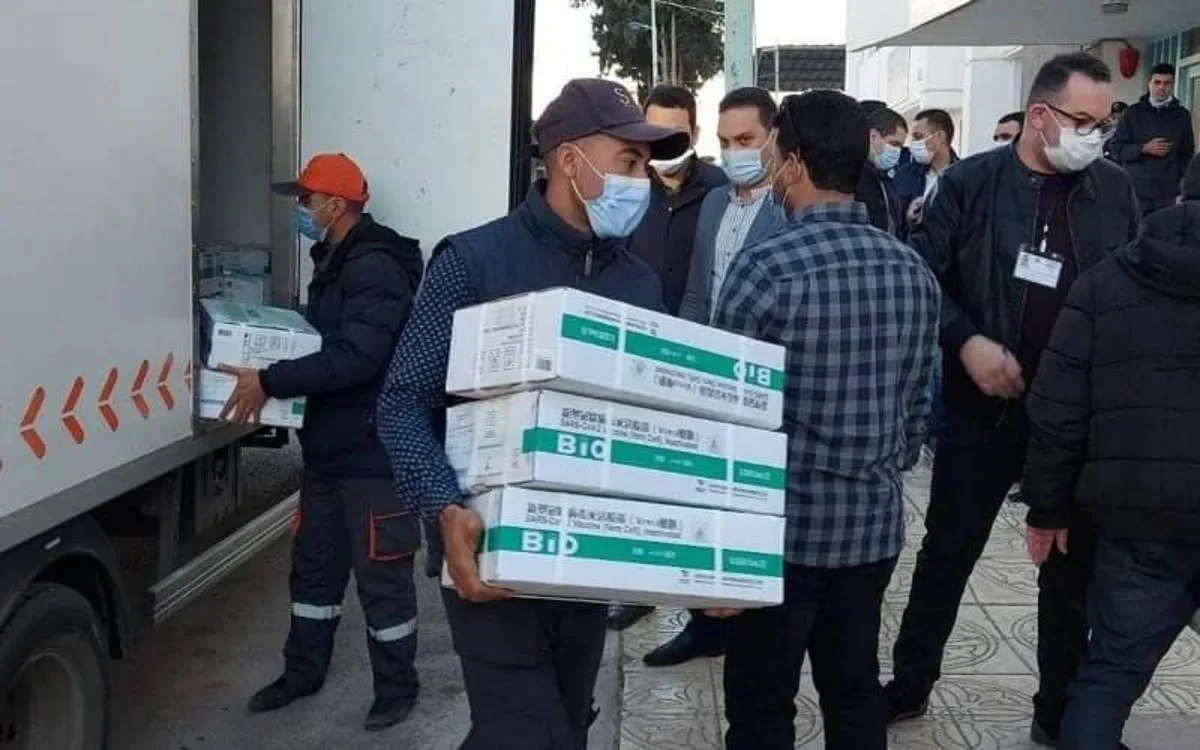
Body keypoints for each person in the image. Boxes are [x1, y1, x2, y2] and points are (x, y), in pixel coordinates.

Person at [374, 78, 686, 750]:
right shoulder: (473, 262)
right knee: (525, 732)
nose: (644, 181)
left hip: (587, 560)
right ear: (570, 160)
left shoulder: (638, 284)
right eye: (629, 161)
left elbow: (661, 422)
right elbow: (402, 401)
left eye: (645, 165)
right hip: (490, 554)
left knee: (565, 726)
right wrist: (443, 508)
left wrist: (699, 555)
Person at [883, 53, 1140, 749]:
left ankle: (1057, 710)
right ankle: (909, 684)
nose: (1095, 136)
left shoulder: (1114, 190)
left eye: (1104, 124)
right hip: (983, 409)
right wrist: (966, 341)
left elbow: (1130, 286)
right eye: (1083, 121)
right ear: (1039, 116)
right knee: (948, 553)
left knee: (1069, 572)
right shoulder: (971, 183)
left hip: (1074, 420)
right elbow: (922, 278)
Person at [711, 89, 940, 750]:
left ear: (794, 163)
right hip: (871, 530)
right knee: (854, 690)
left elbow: (726, 417)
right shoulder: (913, 270)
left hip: (778, 537)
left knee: (761, 705)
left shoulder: (764, 268)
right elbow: (918, 412)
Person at [220, 152, 425, 730]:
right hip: (329, 453)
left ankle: (396, 689)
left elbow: (358, 357)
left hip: (372, 456)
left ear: (336, 206)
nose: (302, 210)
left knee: (383, 583)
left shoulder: (374, 266)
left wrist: (271, 380)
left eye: (307, 200)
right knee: (313, 574)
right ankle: (302, 673)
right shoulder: (334, 258)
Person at [1022, 159, 1200, 750]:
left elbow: (1057, 409)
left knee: (1108, 677)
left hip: (1136, 520)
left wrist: (1047, 507)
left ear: (1179, 194)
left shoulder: (1107, 281)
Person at [649, 86, 784, 668]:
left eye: (746, 140)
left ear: (774, 138)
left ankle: (753, 623)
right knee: (704, 502)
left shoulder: (788, 207)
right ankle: (704, 624)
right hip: (708, 377)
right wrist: (683, 365)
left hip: (763, 382)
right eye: (726, 143)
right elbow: (698, 292)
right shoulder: (712, 205)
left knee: (753, 506)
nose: (735, 153)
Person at [608, 85, 728, 634]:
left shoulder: (721, 192)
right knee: (638, 480)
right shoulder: (628, 189)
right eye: (653, 134)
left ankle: (705, 612)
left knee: (697, 485)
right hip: (636, 355)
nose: (664, 146)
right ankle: (639, 588)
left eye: (675, 135)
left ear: (694, 134)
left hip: (699, 358)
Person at [1107, 62, 1196, 215]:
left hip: (1168, 193)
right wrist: (1143, 148)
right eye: (1157, 82)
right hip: (1136, 190)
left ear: (1173, 85)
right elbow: (1116, 149)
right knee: (1136, 228)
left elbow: (1187, 152)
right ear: (1149, 84)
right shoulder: (1132, 113)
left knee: (1165, 229)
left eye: (1167, 83)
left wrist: (1184, 182)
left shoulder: (1182, 115)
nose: (1162, 87)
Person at [895, 108, 960, 231]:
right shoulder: (904, 175)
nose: (913, 143)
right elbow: (893, 223)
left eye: (918, 137)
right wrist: (907, 219)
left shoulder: (965, 177)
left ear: (940, 136)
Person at [858, 106, 906, 235]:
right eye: (894, 144)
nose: (897, 152)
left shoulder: (885, 179)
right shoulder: (855, 177)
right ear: (873, 136)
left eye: (901, 147)